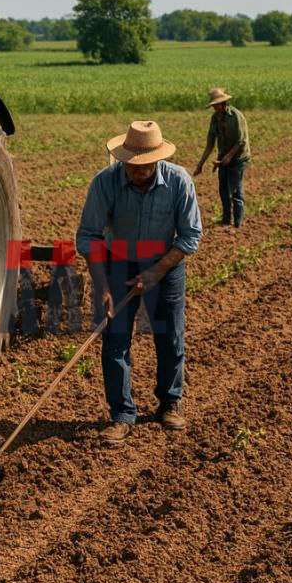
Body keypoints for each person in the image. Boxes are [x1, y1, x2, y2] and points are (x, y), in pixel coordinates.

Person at [76, 121, 202, 443]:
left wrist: (156, 272)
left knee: (170, 335)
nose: (138, 171)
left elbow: (189, 237)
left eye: (145, 166)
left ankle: (170, 402)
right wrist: (102, 287)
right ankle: (121, 414)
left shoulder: (179, 182)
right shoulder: (105, 183)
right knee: (115, 340)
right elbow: (89, 237)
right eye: (131, 165)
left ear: (158, 160)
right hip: (119, 263)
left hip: (166, 263)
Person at [193, 87, 251, 228]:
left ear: (223, 103)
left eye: (216, 104)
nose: (214, 107)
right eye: (213, 105)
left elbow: (241, 141)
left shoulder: (236, 116)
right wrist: (200, 164)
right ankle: (226, 220)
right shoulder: (215, 118)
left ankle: (237, 223)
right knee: (223, 189)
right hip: (223, 158)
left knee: (236, 190)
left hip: (238, 158)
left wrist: (229, 157)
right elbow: (210, 143)